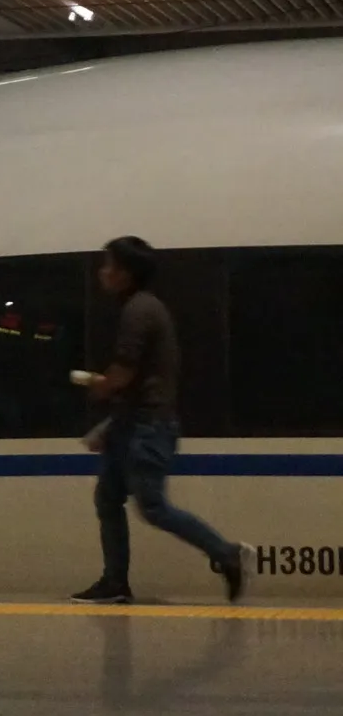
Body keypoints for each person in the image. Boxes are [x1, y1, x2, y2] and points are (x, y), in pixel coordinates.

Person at [71, 236, 243, 605]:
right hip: (133, 424)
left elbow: (124, 372)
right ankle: (114, 582)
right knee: (108, 498)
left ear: (126, 273)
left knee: (152, 506)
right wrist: (110, 425)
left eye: (109, 265)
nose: (103, 272)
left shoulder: (138, 311)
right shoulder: (142, 307)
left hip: (147, 428)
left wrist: (100, 386)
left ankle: (225, 552)